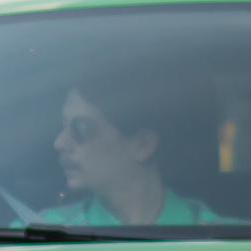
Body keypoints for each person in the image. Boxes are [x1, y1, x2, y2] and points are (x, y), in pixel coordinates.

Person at [37, 87, 236, 226]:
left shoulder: (238, 247)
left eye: (81, 129)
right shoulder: (35, 234)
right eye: (61, 126)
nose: (59, 143)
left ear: (142, 145)